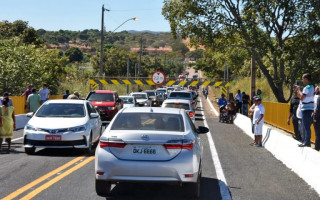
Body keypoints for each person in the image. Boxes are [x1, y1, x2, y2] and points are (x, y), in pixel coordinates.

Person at [297, 73, 314, 147]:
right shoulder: (312, 86)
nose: (302, 80)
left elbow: (302, 98)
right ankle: (306, 140)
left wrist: (299, 90)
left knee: (306, 126)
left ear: (306, 79)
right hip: (310, 108)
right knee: (307, 126)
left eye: (303, 78)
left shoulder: (306, 88)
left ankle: (307, 141)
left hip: (306, 109)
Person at [313, 85, 320, 151]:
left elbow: (317, 109)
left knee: (317, 134)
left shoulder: (319, 98)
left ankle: (317, 148)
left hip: (318, 118)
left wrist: (315, 118)